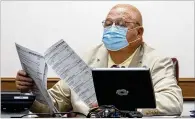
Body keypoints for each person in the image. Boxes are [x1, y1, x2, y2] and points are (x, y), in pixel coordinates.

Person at [15, 4, 183, 116]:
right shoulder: (85, 58)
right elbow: (54, 106)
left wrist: (124, 106)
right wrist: (32, 91)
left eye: (121, 24)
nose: (112, 29)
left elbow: (173, 102)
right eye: (108, 24)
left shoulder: (157, 61)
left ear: (139, 33)